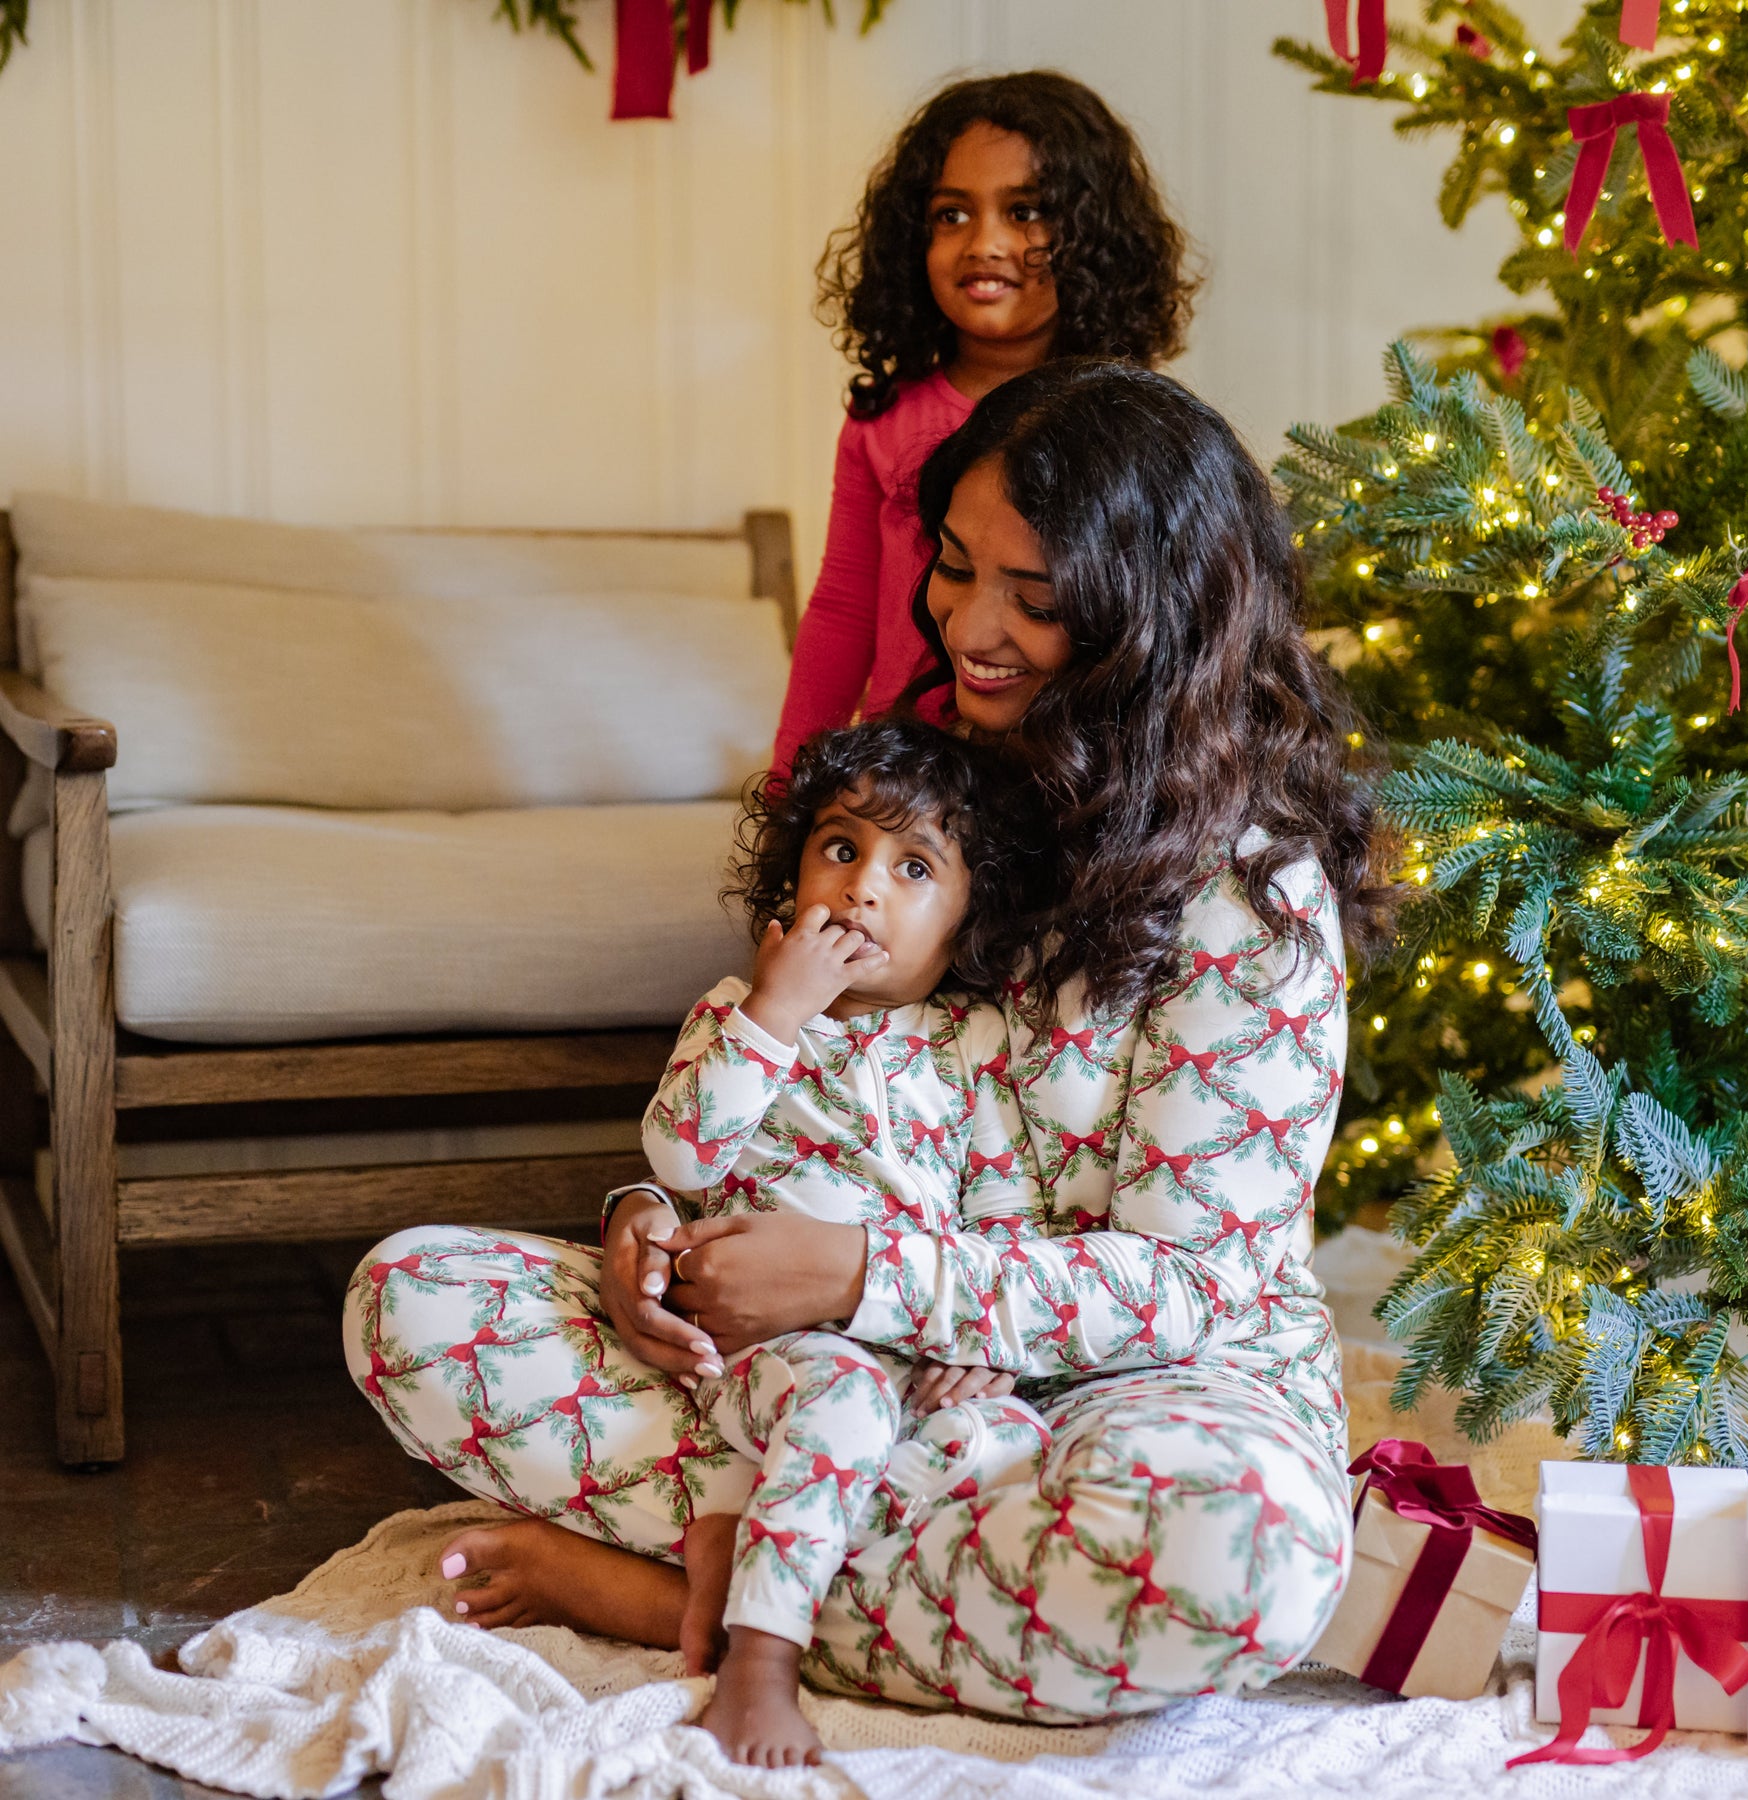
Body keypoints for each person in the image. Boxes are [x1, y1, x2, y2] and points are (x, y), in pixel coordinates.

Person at [345, 360, 1388, 1744]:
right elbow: (804, 1069)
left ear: (1153, 620)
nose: (975, 627)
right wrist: (659, 1226)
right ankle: (841, 1580)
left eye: (1037, 596)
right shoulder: (941, 784)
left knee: (1229, 1559)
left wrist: (856, 1272)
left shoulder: (1256, 896)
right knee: (407, 1300)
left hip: (1132, 1382)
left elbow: (1186, 1283)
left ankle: (681, 1600)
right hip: (826, 1372)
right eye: (958, 570)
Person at [642, 717, 1050, 1764]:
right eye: (840, 848)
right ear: (792, 878)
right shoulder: (743, 1013)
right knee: (841, 1402)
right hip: (779, 1350)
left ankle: (741, 1545)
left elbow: (1001, 1211)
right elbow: (682, 1156)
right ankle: (760, 1663)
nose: (862, 886)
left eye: (913, 866)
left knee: (1012, 1445)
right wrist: (778, 1012)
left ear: (968, 921)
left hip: (917, 1347)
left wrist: (984, 1340)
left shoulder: (975, 1042)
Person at [770, 70, 1197, 772]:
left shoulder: (1130, 426)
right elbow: (843, 612)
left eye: (1025, 211)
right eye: (951, 214)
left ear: (1092, 236)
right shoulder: (884, 420)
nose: (984, 243)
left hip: (1070, 775)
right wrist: (790, 789)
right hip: (910, 777)